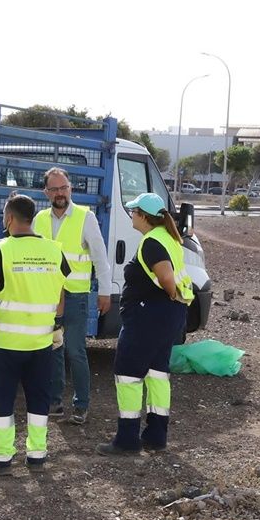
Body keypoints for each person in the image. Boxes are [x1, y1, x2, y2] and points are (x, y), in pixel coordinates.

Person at [0, 168, 111, 425]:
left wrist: (105, 291)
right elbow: (15, 240)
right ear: (46, 192)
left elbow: (100, 257)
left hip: (75, 295)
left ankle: (81, 405)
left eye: (64, 188)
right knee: (53, 351)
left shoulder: (86, 218)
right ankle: (55, 403)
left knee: (75, 351)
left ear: (70, 189)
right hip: (49, 296)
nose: (60, 193)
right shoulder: (39, 217)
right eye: (54, 189)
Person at [0, 193, 68, 475]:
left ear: (10, 218)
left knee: (2, 399)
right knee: (39, 399)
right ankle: (37, 456)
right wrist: (57, 325)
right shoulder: (54, 250)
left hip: (7, 344)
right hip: (41, 343)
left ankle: (1, 459)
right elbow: (60, 294)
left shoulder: (1, 250)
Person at [96, 192, 193, 457]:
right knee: (157, 373)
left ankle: (127, 439)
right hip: (167, 317)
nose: (131, 216)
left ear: (143, 216)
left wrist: (170, 292)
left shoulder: (152, 242)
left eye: (133, 212)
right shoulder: (167, 237)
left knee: (128, 374)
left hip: (147, 318)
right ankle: (156, 435)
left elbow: (165, 277)